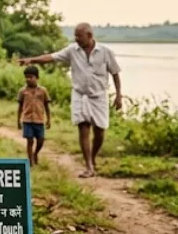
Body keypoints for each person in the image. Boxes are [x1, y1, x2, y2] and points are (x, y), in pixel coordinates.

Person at [19, 23, 122, 178]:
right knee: (83, 127)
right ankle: (89, 166)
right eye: (75, 35)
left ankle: (92, 157)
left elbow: (115, 73)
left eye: (79, 36)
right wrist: (32, 60)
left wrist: (119, 95)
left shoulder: (105, 52)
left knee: (100, 131)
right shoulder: (72, 50)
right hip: (80, 95)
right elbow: (51, 57)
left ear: (89, 35)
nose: (76, 39)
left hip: (99, 96)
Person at [17, 66, 51, 166]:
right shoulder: (22, 91)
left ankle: (35, 153)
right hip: (27, 120)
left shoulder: (43, 91)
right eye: (26, 77)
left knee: (40, 140)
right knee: (30, 140)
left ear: (37, 77)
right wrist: (18, 120)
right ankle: (31, 161)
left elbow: (46, 106)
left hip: (39, 120)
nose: (28, 79)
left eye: (31, 77)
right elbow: (20, 107)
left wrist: (49, 119)